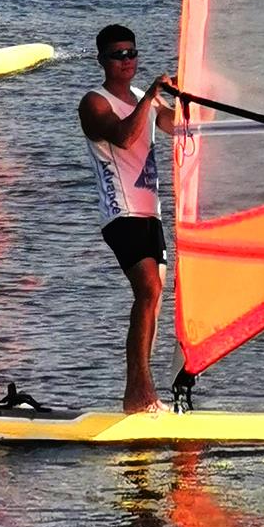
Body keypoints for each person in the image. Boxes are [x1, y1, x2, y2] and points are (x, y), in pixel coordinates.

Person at [79, 23, 176, 414]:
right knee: (148, 291)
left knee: (153, 302)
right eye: (118, 55)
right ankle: (139, 395)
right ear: (102, 60)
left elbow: (176, 125)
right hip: (121, 213)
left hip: (151, 212)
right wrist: (150, 97)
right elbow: (123, 136)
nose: (127, 61)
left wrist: (194, 96)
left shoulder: (143, 100)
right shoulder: (94, 102)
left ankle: (142, 392)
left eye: (132, 53)